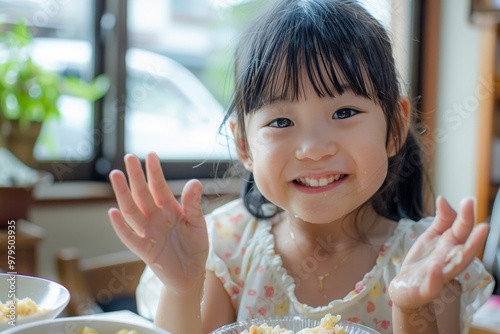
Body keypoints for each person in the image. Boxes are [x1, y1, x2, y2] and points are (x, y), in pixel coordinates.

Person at [107, 0, 494, 333]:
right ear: (244, 143)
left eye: (344, 111)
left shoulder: (423, 260)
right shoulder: (225, 249)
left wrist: (412, 309)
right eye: (281, 122)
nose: (313, 149)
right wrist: (182, 288)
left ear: (394, 128)